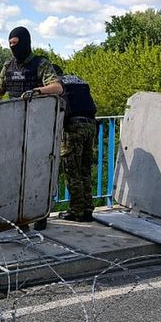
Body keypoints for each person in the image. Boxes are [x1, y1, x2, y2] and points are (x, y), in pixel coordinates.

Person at [0, 26, 64, 230]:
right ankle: (20, 217)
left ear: (25, 42)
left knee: (37, 173)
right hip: (13, 128)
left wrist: (36, 91)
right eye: (10, 44)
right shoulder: (8, 66)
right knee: (14, 174)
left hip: (38, 127)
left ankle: (39, 214)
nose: (13, 48)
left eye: (16, 43)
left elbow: (57, 87)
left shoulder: (41, 64)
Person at [52, 65, 97, 223]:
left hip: (74, 127)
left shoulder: (56, 84)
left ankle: (76, 211)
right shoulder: (78, 80)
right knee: (85, 169)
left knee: (72, 170)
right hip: (91, 125)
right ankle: (87, 210)